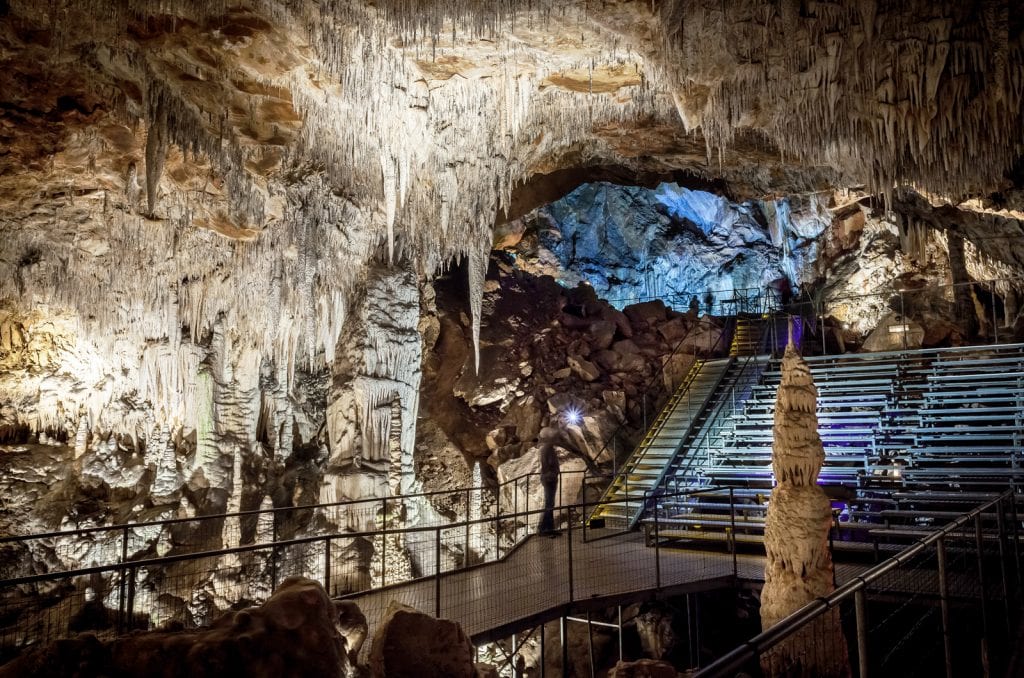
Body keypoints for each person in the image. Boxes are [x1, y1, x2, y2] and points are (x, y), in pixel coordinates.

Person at [537, 426, 561, 537]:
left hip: (550, 478)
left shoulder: (549, 448)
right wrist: (552, 473)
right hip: (549, 479)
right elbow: (546, 465)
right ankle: (544, 529)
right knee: (549, 504)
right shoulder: (546, 448)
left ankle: (549, 528)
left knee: (550, 504)